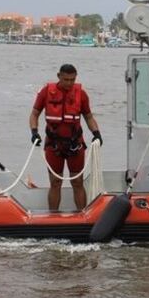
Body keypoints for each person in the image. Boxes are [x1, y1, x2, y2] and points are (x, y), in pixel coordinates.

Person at [29, 63, 102, 211]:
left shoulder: (81, 94)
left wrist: (97, 134)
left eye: (72, 80)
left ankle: (83, 216)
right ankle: (53, 216)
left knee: (77, 181)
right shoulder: (46, 92)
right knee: (55, 182)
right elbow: (34, 114)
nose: (69, 83)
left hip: (75, 144)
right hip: (53, 145)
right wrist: (34, 132)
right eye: (66, 79)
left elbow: (88, 117)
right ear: (59, 76)